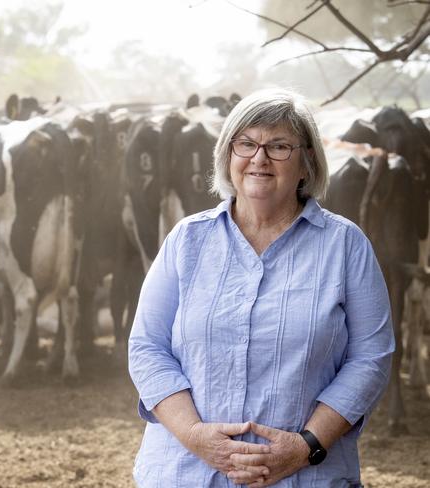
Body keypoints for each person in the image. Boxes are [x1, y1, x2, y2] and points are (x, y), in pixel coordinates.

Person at [128, 87, 394, 487]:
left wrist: (306, 446)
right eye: (246, 144)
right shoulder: (187, 240)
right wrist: (195, 436)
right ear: (227, 155)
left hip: (304, 475)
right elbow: (147, 347)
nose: (259, 158)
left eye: (279, 146)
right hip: (185, 471)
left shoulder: (345, 245)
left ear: (306, 162)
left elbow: (371, 357)